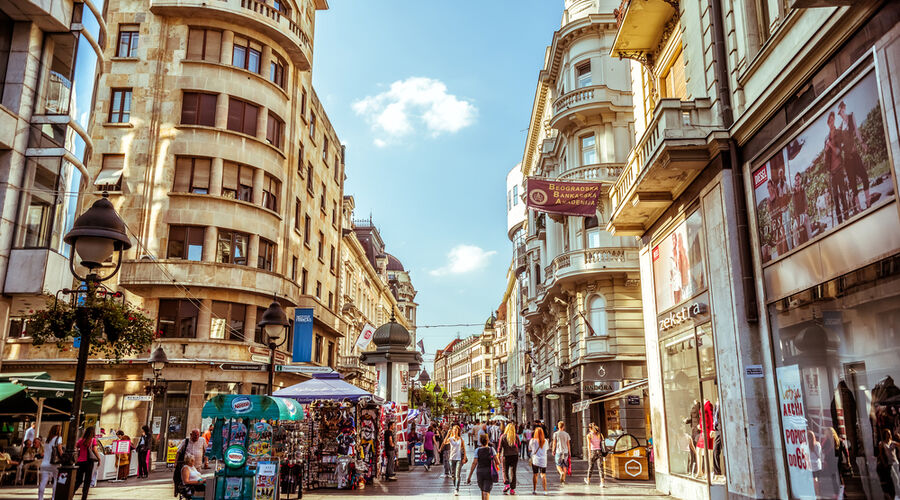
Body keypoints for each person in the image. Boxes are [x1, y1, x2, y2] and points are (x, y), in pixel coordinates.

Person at [467, 434, 501, 500]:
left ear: (480, 441)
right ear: (488, 440)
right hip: (489, 472)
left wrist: (469, 476)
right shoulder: (491, 450)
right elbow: (498, 462)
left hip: (480, 472)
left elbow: (474, 463)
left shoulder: (477, 450)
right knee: (486, 491)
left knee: (483, 490)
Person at [73, 427, 101, 500]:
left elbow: (76, 447)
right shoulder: (93, 440)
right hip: (88, 462)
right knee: (87, 480)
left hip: (80, 462)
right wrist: (99, 458)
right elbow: (95, 450)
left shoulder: (81, 440)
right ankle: (84, 497)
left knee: (78, 480)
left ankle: (71, 493)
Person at [38, 424, 63, 500]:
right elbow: (60, 450)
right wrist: (63, 457)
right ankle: (53, 497)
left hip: (44, 463)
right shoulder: (58, 438)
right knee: (56, 480)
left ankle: (40, 498)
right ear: (58, 431)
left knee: (43, 482)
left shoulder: (47, 439)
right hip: (54, 464)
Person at [445, 424, 467, 495]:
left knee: (457, 475)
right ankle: (455, 486)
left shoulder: (461, 439)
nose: (455, 431)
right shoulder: (450, 439)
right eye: (454, 430)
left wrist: (464, 458)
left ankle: (456, 489)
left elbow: (464, 448)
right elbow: (445, 442)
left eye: (456, 430)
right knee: (453, 475)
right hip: (451, 458)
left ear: (458, 431)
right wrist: (448, 434)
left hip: (459, 459)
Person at [499, 423, 520, 494]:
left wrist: (498, 456)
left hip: (505, 456)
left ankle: (507, 484)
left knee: (505, 470)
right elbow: (519, 445)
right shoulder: (516, 436)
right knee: (513, 471)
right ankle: (512, 489)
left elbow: (499, 447)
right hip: (514, 455)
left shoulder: (503, 436)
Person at [529, 427, 549, 495]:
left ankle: (534, 490)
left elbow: (530, 449)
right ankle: (545, 490)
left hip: (535, 460)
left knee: (535, 474)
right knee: (543, 475)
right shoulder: (545, 441)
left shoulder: (532, 441)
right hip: (543, 460)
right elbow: (546, 449)